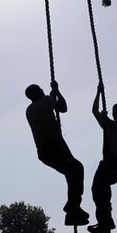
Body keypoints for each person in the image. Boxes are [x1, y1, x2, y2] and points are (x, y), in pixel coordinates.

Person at [25, 81, 89, 225]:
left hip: (43, 152)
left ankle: (73, 209)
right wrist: (57, 91)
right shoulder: (47, 100)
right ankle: (72, 207)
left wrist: (51, 96)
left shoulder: (29, 111)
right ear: (39, 92)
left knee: (72, 172)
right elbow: (63, 108)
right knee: (76, 169)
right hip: (56, 145)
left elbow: (46, 113)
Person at [88, 83, 117, 233]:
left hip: (115, 162)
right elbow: (94, 111)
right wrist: (98, 92)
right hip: (107, 162)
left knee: (101, 189)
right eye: (115, 112)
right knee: (98, 190)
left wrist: (105, 118)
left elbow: (114, 126)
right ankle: (106, 220)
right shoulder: (108, 125)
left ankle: (105, 222)